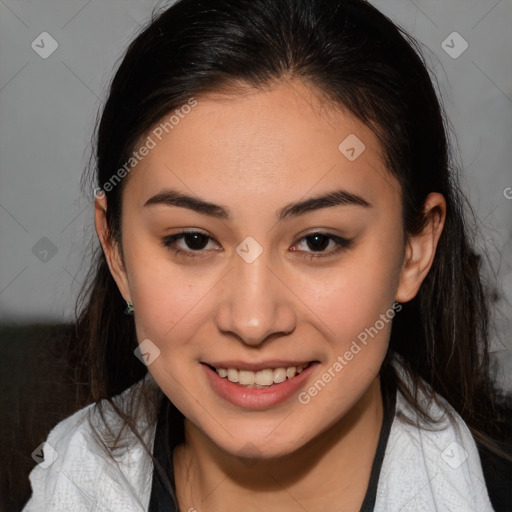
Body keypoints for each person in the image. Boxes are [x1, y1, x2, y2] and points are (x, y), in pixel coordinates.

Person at [22, 0, 512, 510]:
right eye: (193, 240)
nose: (253, 321)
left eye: (318, 241)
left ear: (415, 251)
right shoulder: (60, 483)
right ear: (116, 250)